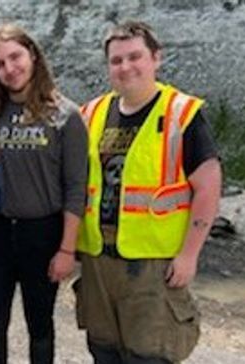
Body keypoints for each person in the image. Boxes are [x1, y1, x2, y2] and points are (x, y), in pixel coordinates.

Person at [75, 20, 222, 364]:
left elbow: (208, 186)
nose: (126, 67)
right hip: (99, 260)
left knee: (150, 355)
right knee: (104, 350)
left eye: (134, 57)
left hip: (153, 266)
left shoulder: (180, 114)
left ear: (156, 58)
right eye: (116, 60)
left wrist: (189, 255)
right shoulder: (92, 113)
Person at [0, 24, 88, 363]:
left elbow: (76, 188)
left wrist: (67, 249)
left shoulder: (66, 115)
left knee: (40, 326)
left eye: (15, 57)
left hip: (43, 232)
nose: (10, 69)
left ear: (32, 54)